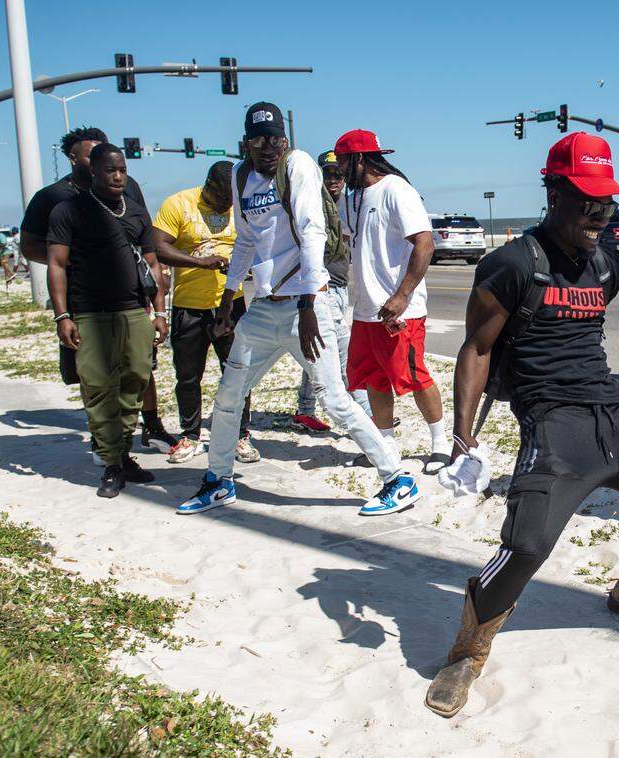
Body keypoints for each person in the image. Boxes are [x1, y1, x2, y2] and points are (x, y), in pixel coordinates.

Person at [426, 132, 619, 718]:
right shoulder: (510, 264)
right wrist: (461, 435)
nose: (600, 218)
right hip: (554, 425)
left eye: (608, 206)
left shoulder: (606, 265)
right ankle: (467, 651)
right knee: (527, 547)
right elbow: (477, 350)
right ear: (553, 192)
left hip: (613, 415)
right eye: (587, 204)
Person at [176, 102, 417, 517]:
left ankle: (398, 479)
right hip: (264, 309)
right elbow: (247, 242)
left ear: (284, 140)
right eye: (258, 139)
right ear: (246, 142)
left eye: (275, 139)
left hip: (305, 305)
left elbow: (312, 233)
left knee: (334, 401)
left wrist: (309, 304)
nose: (268, 147)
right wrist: (227, 297)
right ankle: (218, 480)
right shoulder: (240, 175)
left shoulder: (299, 165)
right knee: (229, 396)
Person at [20, 126, 176, 461]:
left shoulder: (128, 188)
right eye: (92, 155)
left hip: (132, 298)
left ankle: (149, 425)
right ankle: (105, 442)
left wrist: (158, 302)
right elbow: (32, 246)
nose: (114, 172)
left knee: (141, 367)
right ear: (76, 158)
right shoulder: (55, 198)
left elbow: (143, 236)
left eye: (118, 165)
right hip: (85, 299)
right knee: (93, 373)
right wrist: (75, 258)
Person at [46, 143, 168, 498]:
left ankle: (122, 454)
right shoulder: (69, 211)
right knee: (99, 389)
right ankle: (113, 464)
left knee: (135, 381)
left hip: (134, 311)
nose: (117, 177)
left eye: (122, 170)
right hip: (88, 313)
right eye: (110, 170)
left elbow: (154, 265)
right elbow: (56, 265)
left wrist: (160, 311)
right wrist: (62, 316)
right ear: (94, 172)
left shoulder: (137, 213)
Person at [334, 130, 451, 473]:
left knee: (414, 376)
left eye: (343, 162)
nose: (339, 170)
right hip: (367, 309)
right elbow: (346, 244)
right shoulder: (350, 199)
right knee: (372, 378)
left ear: (360, 159)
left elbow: (425, 244)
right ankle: (385, 444)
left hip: (402, 309)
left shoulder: (397, 190)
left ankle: (440, 443)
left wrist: (402, 295)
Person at [152, 161, 259, 464]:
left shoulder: (240, 208)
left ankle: (240, 435)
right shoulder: (180, 204)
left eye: (232, 197)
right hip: (189, 306)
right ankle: (190, 435)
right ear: (209, 186)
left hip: (231, 304)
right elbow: (157, 247)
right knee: (188, 375)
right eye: (224, 196)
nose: (228, 203)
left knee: (238, 372)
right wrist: (201, 262)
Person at [291, 150, 372, 433]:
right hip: (323, 288)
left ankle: (304, 409)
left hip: (340, 285)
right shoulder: (313, 205)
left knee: (317, 348)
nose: (334, 179)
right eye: (328, 173)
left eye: (339, 174)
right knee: (343, 354)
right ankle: (367, 415)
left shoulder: (349, 204)